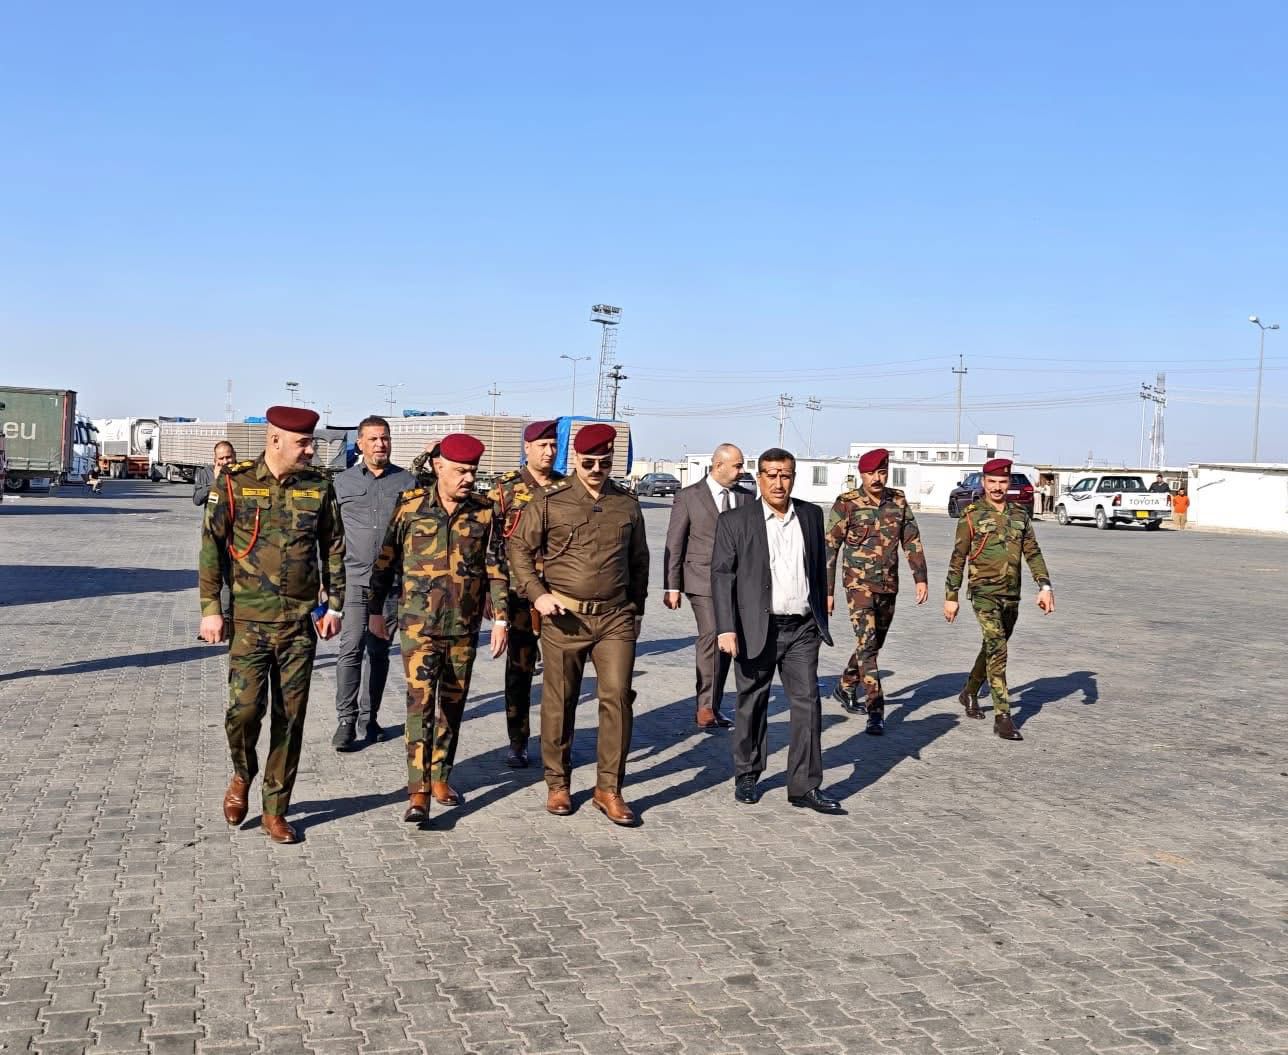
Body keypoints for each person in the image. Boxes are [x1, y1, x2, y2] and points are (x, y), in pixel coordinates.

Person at [198, 406, 344, 844]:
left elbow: (334, 547)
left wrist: (335, 606)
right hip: (248, 621)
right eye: (304, 443)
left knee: (290, 717)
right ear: (275, 440)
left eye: (311, 441)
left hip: (299, 624)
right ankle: (243, 773)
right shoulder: (235, 482)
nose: (311, 450)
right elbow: (211, 546)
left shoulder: (318, 486)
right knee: (243, 711)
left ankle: (275, 809)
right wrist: (210, 608)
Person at [507, 423, 649, 826]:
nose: (596, 470)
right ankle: (558, 783)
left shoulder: (626, 503)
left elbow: (639, 560)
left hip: (615, 617)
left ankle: (609, 789)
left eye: (604, 462)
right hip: (564, 618)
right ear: (576, 460)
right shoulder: (549, 501)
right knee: (560, 700)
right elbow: (518, 549)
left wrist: (637, 611)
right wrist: (538, 593)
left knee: (617, 697)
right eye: (589, 463)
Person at [368, 433, 508, 823]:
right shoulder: (410, 506)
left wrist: (500, 619)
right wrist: (375, 611)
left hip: (463, 625)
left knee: (452, 703)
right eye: (461, 471)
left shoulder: (484, 512)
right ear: (438, 466)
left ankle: (441, 775)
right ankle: (419, 790)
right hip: (418, 626)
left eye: (472, 471)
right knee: (420, 704)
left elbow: (497, 568)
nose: (468, 478)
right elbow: (385, 561)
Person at [711, 447, 841, 814]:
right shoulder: (736, 520)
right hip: (756, 626)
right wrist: (726, 628)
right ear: (760, 478)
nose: (779, 483)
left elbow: (818, 567)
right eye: (771, 475)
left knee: (808, 703)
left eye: (785, 475)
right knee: (752, 702)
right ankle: (747, 774)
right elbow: (721, 576)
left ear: (794, 477)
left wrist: (820, 613)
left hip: (802, 628)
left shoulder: (811, 516)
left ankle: (804, 786)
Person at [944, 457, 1054, 742]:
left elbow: (1032, 552)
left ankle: (969, 691)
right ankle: (1003, 716)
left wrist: (1044, 586)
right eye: (991, 481)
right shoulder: (971, 515)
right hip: (983, 592)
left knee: (994, 645)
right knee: (998, 648)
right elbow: (958, 557)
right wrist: (951, 595)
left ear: (1008, 483)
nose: (996, 487)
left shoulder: (1019, 515)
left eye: (1002, 482)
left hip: (1011, 594)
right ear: (983, 482)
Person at [825, 448, 928, 735]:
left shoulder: (898, 500)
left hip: (888, 584)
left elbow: (911, 540)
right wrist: (827, 591)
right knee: (868, 645)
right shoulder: (846, 503)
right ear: (861, 474)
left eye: (882, 472)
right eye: (871, 473)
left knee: (872, 644)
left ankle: (846, 684)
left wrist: (920, 577)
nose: (877, 478)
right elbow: (830, 548)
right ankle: (875, 710)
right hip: (857, 585)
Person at [330, 416, 415, 751]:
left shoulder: (407, 482)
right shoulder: (342, 483)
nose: (381, 444)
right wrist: (327, 580)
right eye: (374, 439)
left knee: (378, 653)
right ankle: (346, 721)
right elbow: (331, 534)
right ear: (360, 443)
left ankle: (370, 718)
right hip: (354, 581)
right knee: (351, 648)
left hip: (391, 585)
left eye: (385, 438)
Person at [486, 419, 564, 768]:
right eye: (542, 445)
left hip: (559, 593)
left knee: (561, 673)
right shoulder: (505, 490)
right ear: (527, 448)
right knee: (519, 671)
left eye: (553, 445)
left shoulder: (567, 487)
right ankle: (517, 741)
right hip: (518, 594)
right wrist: (493, 596)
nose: (549, 452)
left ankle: (557, 739)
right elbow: (490, 546)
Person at [663, 443, 753, 730]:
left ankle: (714, 704)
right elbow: (675, 541)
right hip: (701, 579)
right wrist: (671, 586)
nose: (742, 470)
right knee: (713, 634)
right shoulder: (689, 496)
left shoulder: (746, 497)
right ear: (718, 465)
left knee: (728, 640)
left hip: (738, 582)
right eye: (737, 465)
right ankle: (705, 707)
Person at [193, 442, 238, 507]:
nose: (225, 461)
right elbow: (197, 501)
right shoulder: (206, 472)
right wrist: (216, 481)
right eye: (221, 458)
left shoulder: (244, 472)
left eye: (228, 457)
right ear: (215, 458)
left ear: (234, 455)